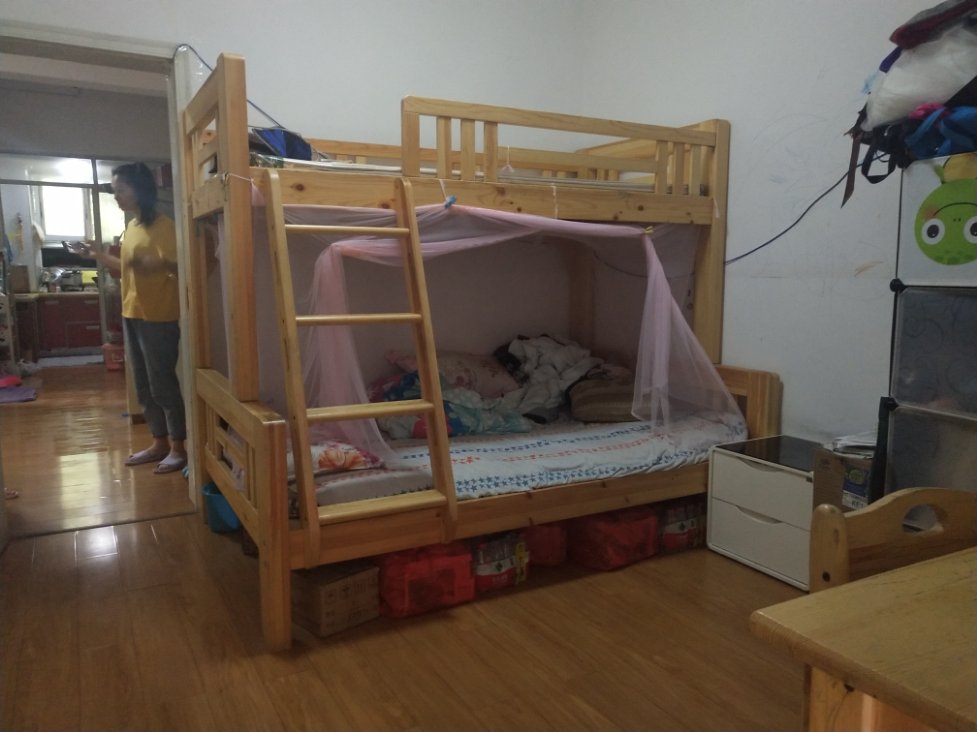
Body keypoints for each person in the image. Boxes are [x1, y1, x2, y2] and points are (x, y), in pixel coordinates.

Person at [77, 163, 187, 474]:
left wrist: (156, 265)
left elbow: (182, 269)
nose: (116, 197)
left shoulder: (165, 228)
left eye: (120, 190)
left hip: (158, 316)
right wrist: (97, 255)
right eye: (115, 191)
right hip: (132, 313)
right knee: (143, 385)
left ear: (139, 190)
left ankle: (179, 448)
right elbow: (129, 269)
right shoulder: (133, 226)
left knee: (162, 384)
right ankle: (159, 442)